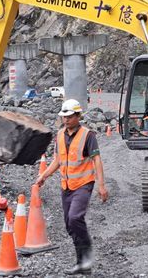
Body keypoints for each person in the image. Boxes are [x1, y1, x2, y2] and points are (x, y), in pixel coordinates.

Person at [36, 99, 108, 275]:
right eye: (63, 117)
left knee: (75, 217)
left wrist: (102, 185)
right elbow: (58, 160)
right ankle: (82, 263)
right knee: (69, 225)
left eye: (69, 117)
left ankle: (87, 251)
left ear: (78, 116)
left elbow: (96, 160)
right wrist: (44, 175)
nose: (66, 120)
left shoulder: (88, 135)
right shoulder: (60, 135)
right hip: (66, 185)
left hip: (83, 184)